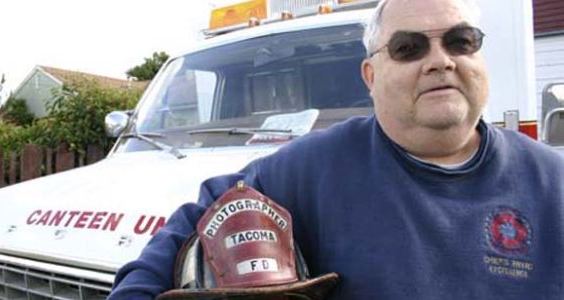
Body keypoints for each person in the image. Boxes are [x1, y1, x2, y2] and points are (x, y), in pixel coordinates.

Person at [109, 0, 564, 298]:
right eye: (409, 48)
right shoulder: (310, 170)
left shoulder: (554, 182)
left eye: (460, 42)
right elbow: (192, 227)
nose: (441, 60)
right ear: (371, 76)